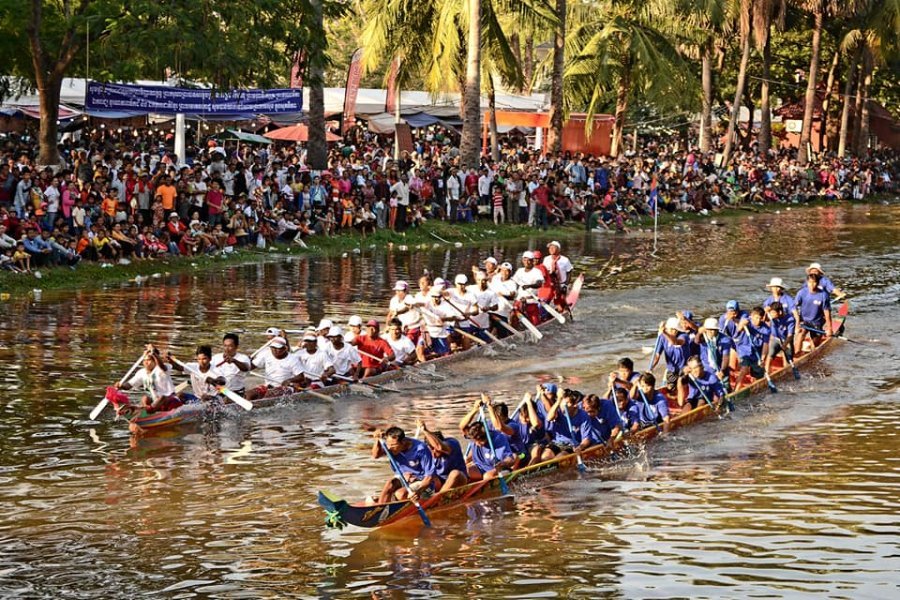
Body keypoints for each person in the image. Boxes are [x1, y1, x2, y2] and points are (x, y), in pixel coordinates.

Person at [371, 426, 437, 503]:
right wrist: (377, 440)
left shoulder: (420, 449)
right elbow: (375, 455)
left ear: (403, 442)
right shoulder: (390, 446)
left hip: (421, 481)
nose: (389, 448)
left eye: (393, 445)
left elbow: (429, 477)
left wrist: (418, 492)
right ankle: (380, 508)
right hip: (403, 477)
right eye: (388, 445)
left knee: (400, 494)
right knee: (389, 484)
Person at [479, 392, 546, 468]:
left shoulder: (513, 425)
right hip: (505, 454)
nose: (494, 421)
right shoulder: (490, 423)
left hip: (521, 454)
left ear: (504, 417)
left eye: (496, 418)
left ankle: (523, 471)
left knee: (516, 456)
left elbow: (500, 427)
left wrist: (489, 405)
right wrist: (475, 409)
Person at [116, 345, 180, 414]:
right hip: (155, 403)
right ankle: (145, 410)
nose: (146, 363)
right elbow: (128, 385)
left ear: (155, 361)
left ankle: (145, 409)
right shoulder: (141, 372)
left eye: (149, 360)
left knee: (162, 397)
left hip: (170, 402)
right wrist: (121, 386)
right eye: (144, 360)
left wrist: (153, 353)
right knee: (145, 398)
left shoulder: (162, 368)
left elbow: (161, 366)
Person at [416, 418, 469, 492]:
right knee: (428, 478)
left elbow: (439, 447)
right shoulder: (425, 452)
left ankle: (438, 498)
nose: (433, 453)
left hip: (460, 479)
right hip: (440, 481)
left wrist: (424, 430)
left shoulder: (452, 443)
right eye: (431, 450)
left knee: (455, 474)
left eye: (435, 450)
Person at [650, 317, 695, 392]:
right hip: (672, 369)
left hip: (684, 369)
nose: (672, 331)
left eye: (674, 329)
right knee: (670, 389)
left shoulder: (684, 336)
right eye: (670, 329)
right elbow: (657, 355)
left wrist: (664, 332)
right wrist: (651, 367)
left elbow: (675, 342)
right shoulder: (662, 337)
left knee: (682, 389)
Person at [542, 388, 589, 459]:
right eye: (562, 403)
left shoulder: (583, 416)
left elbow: (586, 439)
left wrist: (580, 447)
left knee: (559, 459)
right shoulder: (558, 410)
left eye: (567, 403)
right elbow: (549, 418)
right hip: (557, 443)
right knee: (545, 457)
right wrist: (558, 400)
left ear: (575, 405)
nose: (563, 406)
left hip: (572, 445)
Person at [793, 270, 833, 354]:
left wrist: (829, 328)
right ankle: (796, 354)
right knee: (801, 334)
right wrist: (797, 323)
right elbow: (794, 308)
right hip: (805, 320)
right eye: (810, 282)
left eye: (814, 282)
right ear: (807, 282)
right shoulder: (801, 293)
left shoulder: (823, 295)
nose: (811, 285)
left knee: (815, 344)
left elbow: (827, 312)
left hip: (817, 322)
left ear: (818, 283)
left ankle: (811, 351)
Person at [734, 307, 770, 391]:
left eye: (760, 318)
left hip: (756, 353)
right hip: (744, 351)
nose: (758, 320)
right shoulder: (746, 322)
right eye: (756, 318)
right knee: (744, 369)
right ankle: (735, 390)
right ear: (752, 316)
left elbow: (765, 345)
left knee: (758, 374)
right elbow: (737, 332)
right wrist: (741, 325)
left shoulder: (766, 329)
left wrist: (762, 359)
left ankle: (755, 389)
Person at [695, 318, 733, 390]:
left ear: (717, 330)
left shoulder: (725, 339)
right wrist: (699, 333)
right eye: (708, 330)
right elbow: (696, 341)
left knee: (725, 388)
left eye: (713, 330)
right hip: (706, 368)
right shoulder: (703, 337)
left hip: (719, 367)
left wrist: (722, 371)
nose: (710, 332)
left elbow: (725, 357)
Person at [512, 251, 544, 325]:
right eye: (525, 260)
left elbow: (539, 284)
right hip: (519, 300)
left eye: (529, 260)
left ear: (533, 261)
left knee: (535, 323)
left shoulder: (537, 272)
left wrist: (529, 285)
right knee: (513, 316)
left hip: (531, 300)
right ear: (523, 260)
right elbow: (514, 283)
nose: (527, 262)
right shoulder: (519, 271)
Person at [386, 280, 422, 344]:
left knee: (407, 344)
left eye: (400, 291)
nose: (398, 293)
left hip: (412, 327)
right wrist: (387, 326)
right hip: (401, 328)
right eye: (397, 290)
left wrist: (398, 312)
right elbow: (390, 314)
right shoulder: (394, 300)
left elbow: (406, 308)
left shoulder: (410, 298)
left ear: (406, 291)